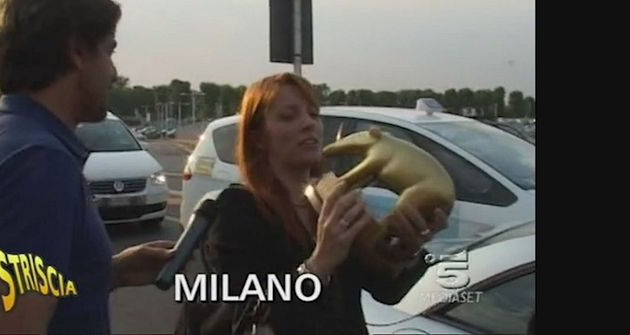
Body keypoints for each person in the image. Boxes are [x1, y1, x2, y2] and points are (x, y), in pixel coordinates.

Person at [0, 0, 175, 335]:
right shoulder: (37, 164)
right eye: (108, 51)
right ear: (77, 51)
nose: (113, 72)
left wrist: (110, 272)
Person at [176, 72, 448, 335]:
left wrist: (406, 251)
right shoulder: (238, 210)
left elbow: (386, 290)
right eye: (288, 116)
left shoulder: (331, 197)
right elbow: (244, 313)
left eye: (313, 114)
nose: (309, 124)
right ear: (258, 137)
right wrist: (318, 265)